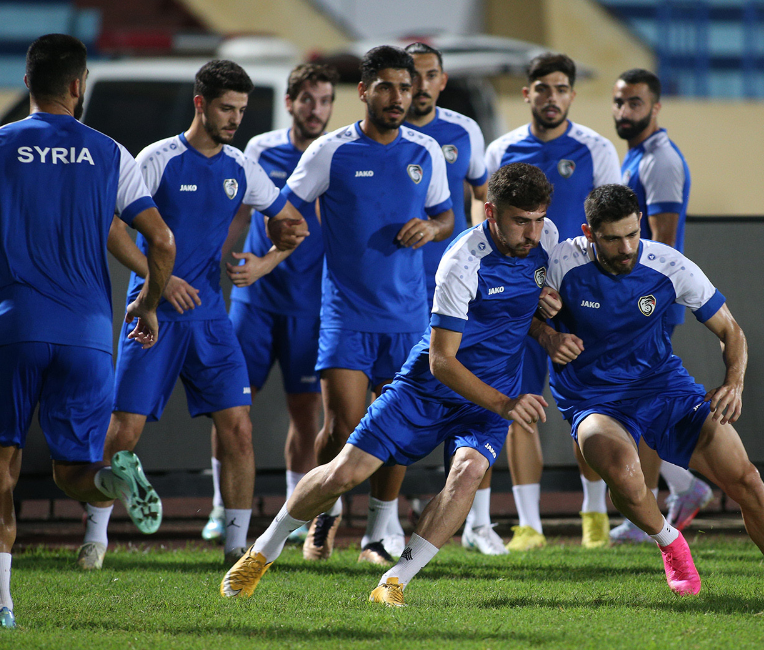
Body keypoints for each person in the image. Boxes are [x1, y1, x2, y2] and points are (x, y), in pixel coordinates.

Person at [0, 34, 176, 628]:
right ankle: (115, 480)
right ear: (78, 85)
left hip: (14, 327)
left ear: (27, 81)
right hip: (88, 333)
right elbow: (161, 240)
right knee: (73, 472)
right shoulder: (111, 152)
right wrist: (150, 303)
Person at [221, 162, 562, 606]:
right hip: (428, 389)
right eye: (521, 221)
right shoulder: (462, 261)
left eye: (539, 219)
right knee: (345, 473)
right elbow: (442, 361)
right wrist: (504, 404)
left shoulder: (545, 240)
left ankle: (394, 581)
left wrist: (548, 332)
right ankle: (263, 550)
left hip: (491, 395)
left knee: (469, 472)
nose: (533, 233)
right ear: (491, 213)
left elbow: (518, 311)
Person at [540, 183, 764, 600]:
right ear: (589, 234)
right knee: (624, 477)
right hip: (593, 399)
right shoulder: (560, 262)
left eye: (632, 234)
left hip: (663, 388)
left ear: (640, 223)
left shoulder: (669, 265)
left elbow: (731, 330)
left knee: (746, 479)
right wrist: (546, 333)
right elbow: (512, 311)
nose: (626, 247)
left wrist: (734, 383)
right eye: (612, 239)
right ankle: (671, 542)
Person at [79, 59, 307, 570]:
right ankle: (94, 541)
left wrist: (268, 259)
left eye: (242, 110)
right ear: (200, 104)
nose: (235, 119)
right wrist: (162, 278)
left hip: (210, 320)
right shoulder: (157, 159)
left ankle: (236, 548)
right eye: (227, 108)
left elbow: (294, 224)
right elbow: (111, 226)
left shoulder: (242, 167)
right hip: (151, 313)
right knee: (124, 432)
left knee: (239, 429)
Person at [267, 45, 455, 566]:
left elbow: (446, 217)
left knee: (395, 426)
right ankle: (323, 519)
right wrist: (281, 236)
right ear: (364, 91)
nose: (398, 97)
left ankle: (377, 532)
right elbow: (284, 210)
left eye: (406, 87)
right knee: (341, 426)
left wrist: (431, 228)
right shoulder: (331, 151)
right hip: (346, 315)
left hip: (408, 317)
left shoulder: (425, 151)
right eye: (387, 87)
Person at [482, 52, 620, 551]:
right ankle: (529, 526)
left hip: (580, 299)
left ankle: (595, 516)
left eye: (561, 88)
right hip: (517, 297)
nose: (552, 97)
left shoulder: (596, 148)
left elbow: (612, 223)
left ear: (572, 95)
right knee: (518, 402)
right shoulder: (501, 149)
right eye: (543, 88)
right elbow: (487, 225)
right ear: (528, 94)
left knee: (589, 404)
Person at [201, 62, 338, 546]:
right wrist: (213, 260)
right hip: (255, 303)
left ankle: (293, 516)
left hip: (310, 305)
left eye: (325, 101)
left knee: (305, 412)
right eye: (308, 100)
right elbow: (239, 213)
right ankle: (221, 506)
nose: (316, 110)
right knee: (232, 404)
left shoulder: (335, 154)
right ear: (290, 102)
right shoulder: (261, 148)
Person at [401, 42, 502, 556]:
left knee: (471, 393)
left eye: (430, 75)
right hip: (398, 291)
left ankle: (478, 522)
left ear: (442, 80)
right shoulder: (385, 133)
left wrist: (489, 263)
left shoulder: (464, 130)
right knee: (394, 401)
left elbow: (484, 200)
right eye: (412, 76)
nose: (420, 85)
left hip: (459, 291)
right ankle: (383, 523)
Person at [609, 68, 712, 544]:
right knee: (633, 400)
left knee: (641, 401)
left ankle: (646, 511)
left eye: (634, 102)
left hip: (647, 303)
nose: (624, 110)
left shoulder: (661, 161)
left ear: (655, 107)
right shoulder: (638, 156)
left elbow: (662, 246)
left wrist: (633, 301)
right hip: (637, 301)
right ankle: (685, 487)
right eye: (619, 102)